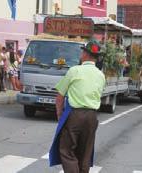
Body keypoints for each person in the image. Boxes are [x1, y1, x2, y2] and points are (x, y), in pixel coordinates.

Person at [49, 39, 106, 173]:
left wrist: (60, 115)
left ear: (85, 54)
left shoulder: (74, 71)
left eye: (82, 52)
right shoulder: (101, 75)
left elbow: (60, 96)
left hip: (75, 115)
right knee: (85, 154)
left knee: (67, 151)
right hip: (92, 117)